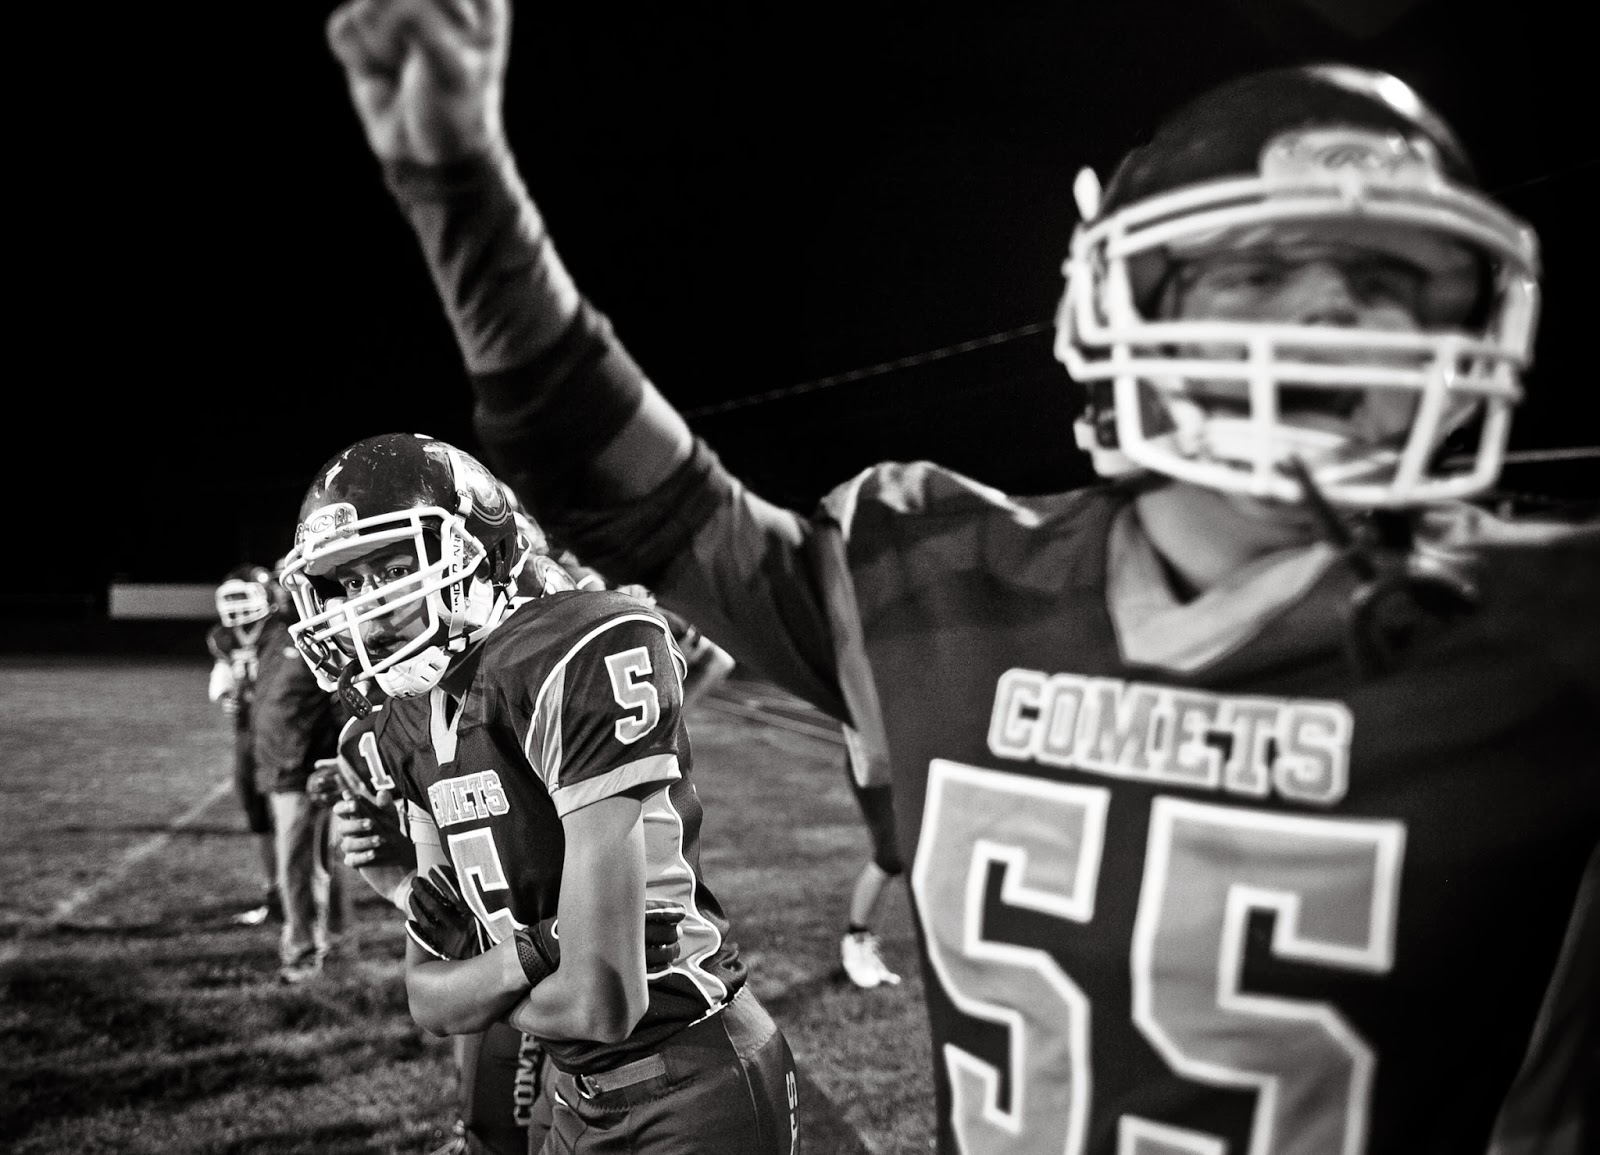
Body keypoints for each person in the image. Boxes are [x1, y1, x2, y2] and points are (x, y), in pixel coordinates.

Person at [326, 5, 1600, 1151]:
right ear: (1129, 303)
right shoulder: (931, 572)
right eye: (1260, 270)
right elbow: (636, 495)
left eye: (1389, 284)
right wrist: (460, 187)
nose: (1329, 322)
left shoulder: (1555, 642)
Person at [280, 432, 800, 1154]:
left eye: (394, 567)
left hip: (688, 1077)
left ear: (475, 552)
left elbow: (600, 999)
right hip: (570, 1089)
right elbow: (431, 998)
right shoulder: (401, 724)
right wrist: (418, 896)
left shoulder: (570, 653)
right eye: (353, 583)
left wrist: (492, 967)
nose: (372, 603)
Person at [253, 557, 355, 983]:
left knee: (299, 867)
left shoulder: (328, 633)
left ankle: (304, 953)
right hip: (280, 767)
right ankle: (331, 940)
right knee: (311, 864)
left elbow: (341, 707)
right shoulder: (277, 634)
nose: (281, 591)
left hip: (302, 770)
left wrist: (323, 765)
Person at [206, 564, 281, 926]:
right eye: (230, 598)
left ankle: (306, 900)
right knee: (257, 814)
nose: (236, 608)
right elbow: (222, 676)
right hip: (246, 734)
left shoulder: (282, 630)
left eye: (243, 597)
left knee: (294, 820)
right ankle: (273, 893)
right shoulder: (223, 636)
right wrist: (226, 695)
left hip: (283, 734)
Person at [838, 725, 903, 991]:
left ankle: (865, 942)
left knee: (908, 851)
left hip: (905, 752)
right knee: (892, 853)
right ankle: (855, 938)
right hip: (872, 751)